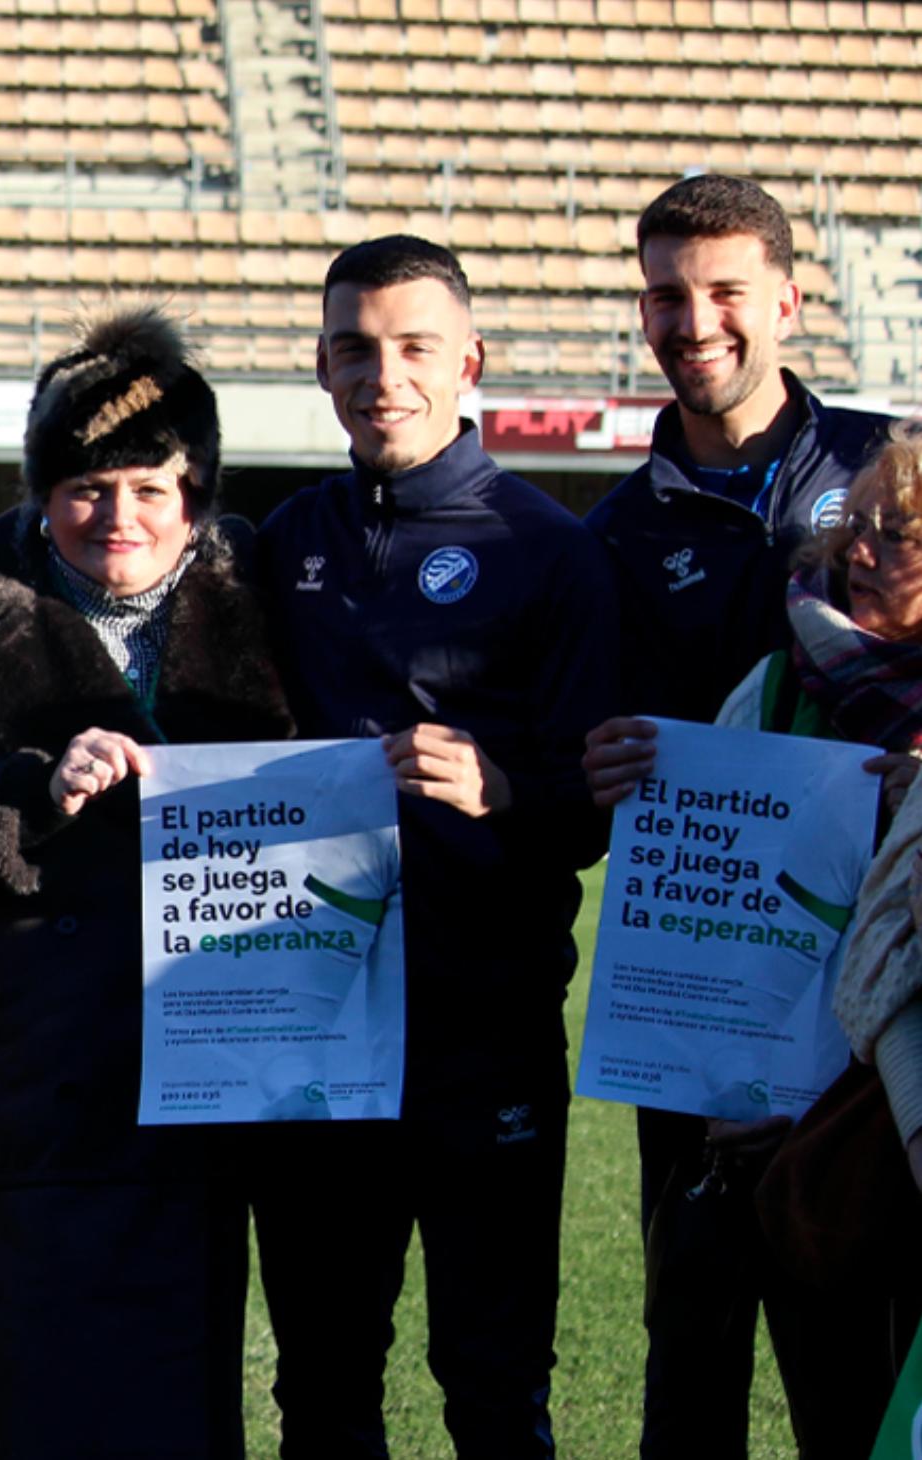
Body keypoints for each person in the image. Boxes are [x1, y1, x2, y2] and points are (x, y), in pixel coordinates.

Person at [0, 309, 289, 1458]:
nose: (115, 515)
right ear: (40, 491)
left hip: (197, 1089)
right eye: (83, 485)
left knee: (170, 1410)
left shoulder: (270, 607)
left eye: (147, 484)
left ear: (195, 488)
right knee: (2, 1409)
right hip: (1, 1108)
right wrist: (27, 787)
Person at [249, 236, 620, 1457]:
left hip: (485, 1033)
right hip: (310, 1031)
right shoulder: (279, 543)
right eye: (354, 347)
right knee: (321, 1383)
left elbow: (599, 801)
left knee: (493, 1384)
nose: (382, 374)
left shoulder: (549, 549)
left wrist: (502, 784)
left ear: (469, 361)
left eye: (413, 346)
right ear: (319, 364)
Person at [579, 174, 900, 1460]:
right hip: (699, 976)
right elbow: (585, 748)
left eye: (722, 291)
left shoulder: (889, 466)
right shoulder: (610, 531)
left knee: (861, 1324)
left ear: (787, 296)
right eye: (665, 294)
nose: (692, 319)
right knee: (692, 1334)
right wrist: (590, 765)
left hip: (880, 968)